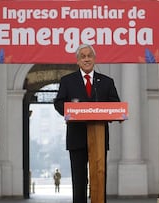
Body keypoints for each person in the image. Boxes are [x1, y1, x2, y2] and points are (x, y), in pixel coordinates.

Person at [54, 44, 120, 203]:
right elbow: (58, 103)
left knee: (99, 176)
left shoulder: (106, 82)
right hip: (76, 138)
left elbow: (115, 104)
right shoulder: (67, 81)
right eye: (83, 56)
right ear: (77, 61)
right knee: (79, 180)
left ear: (94, 59)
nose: (87, 59)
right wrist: (71, 110)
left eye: (89, 55)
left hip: (99, 138)